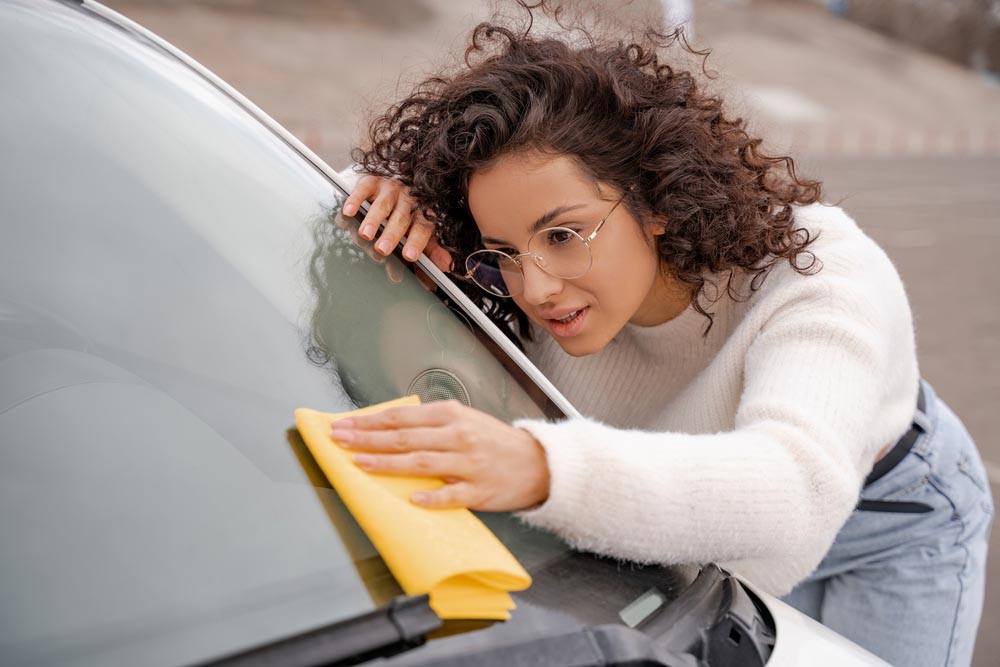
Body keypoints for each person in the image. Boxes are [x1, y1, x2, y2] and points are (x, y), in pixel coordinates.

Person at [325, 4, 993, 665]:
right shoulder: (494, 272)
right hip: (686, 502)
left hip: (888, 515)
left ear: (655, 202)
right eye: (504, 248)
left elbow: (795, 486)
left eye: (563, 235)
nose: (536, 289)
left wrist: (537, 466)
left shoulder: (817, 271)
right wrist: (382, 195)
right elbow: (304, 191)